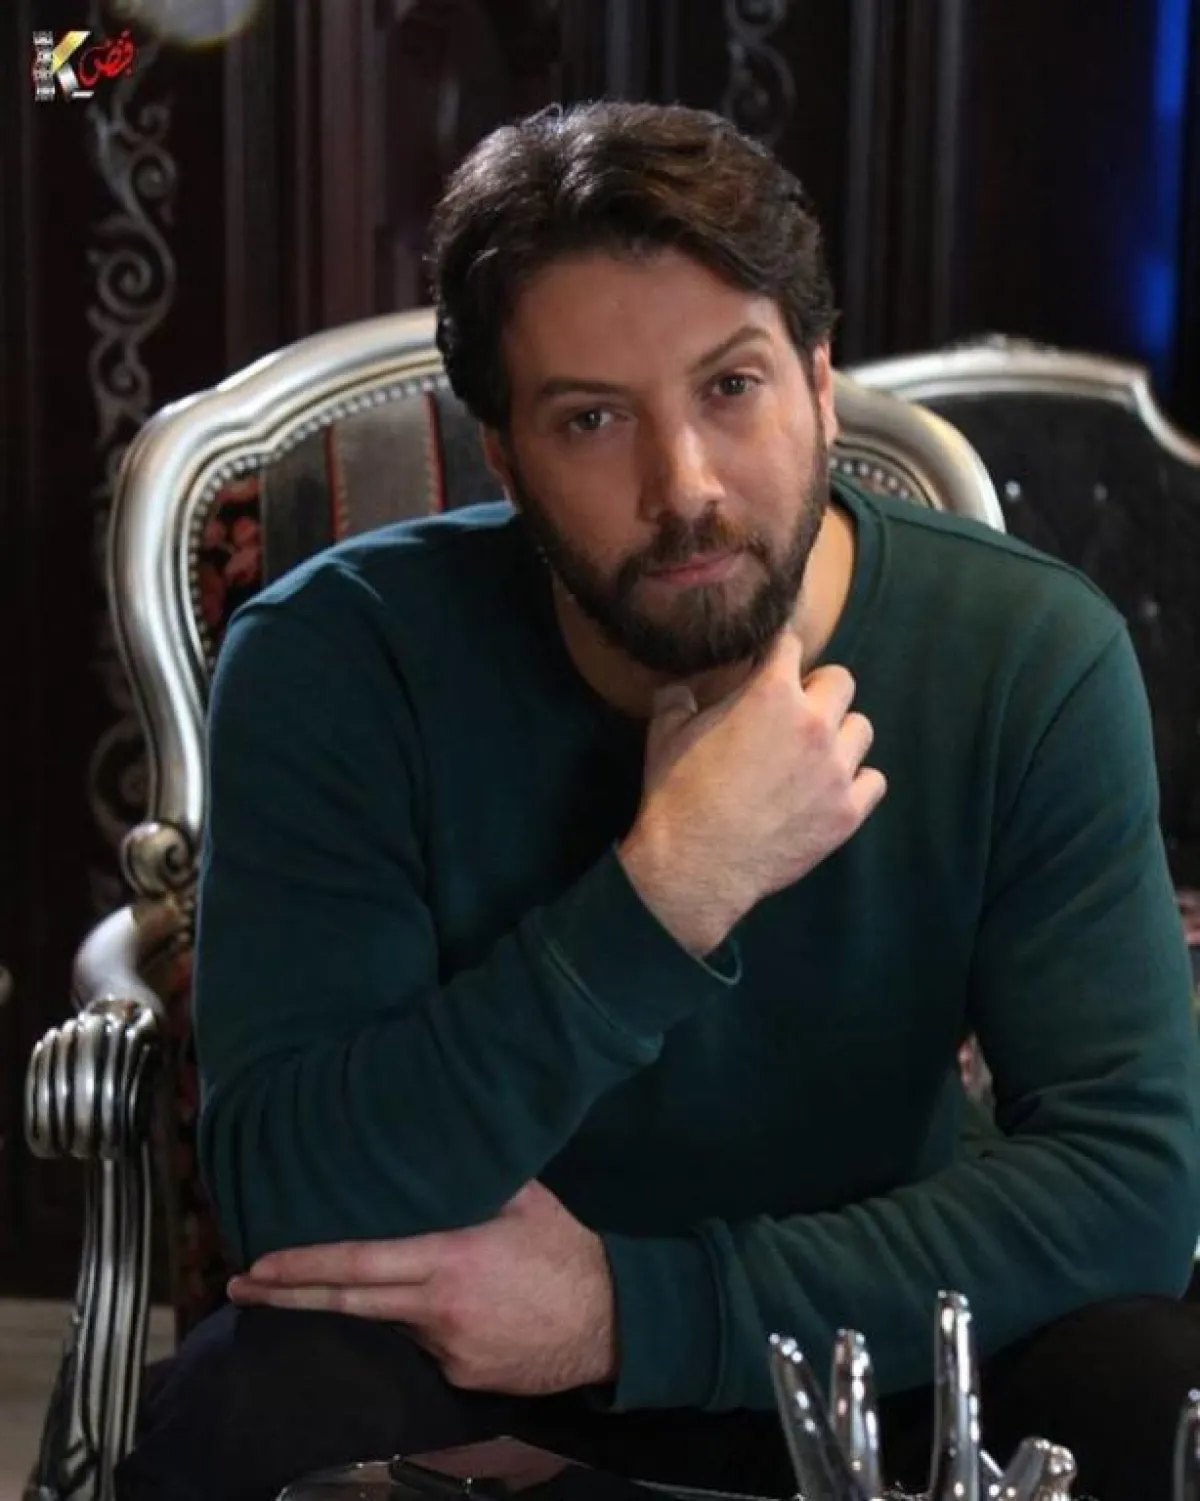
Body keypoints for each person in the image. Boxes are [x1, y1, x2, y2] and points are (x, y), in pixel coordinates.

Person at [115, 101, 1200, 1501]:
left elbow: (1126, 1187)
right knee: (253, 1412)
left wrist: (632, 1311)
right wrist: (668, 889)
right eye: (591, 419)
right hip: (468, 1353)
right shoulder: (338, 660)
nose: (682, 487)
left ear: (820, 383)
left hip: (854, 1330)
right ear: (503, 455)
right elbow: (294, 1195)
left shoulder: (1026, 653)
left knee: (1153, 1384)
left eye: (732, 386)